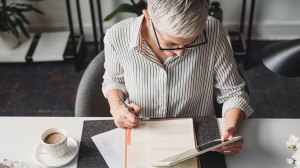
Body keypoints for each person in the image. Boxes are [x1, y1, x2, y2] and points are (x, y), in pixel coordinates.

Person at [102, 0, 254, 155]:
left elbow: (234, 93)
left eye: (191, 42)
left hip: (200, 139)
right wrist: (117, 108)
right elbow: (114, 80)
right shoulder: (117, 36)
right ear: (149, 17)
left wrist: (230, 129)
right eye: (171, 43)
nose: (181, 53)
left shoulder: (213, 31)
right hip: (142, 135)